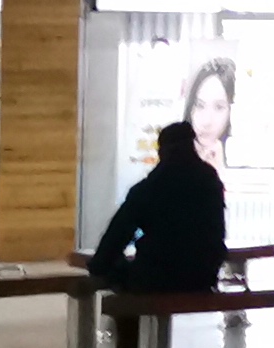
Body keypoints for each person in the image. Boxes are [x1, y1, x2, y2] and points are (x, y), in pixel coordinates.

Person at [89, 120, 229, 296]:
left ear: (162, 151)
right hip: (202, 277)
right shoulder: (210, 181)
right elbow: (217, 233)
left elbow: (118, 232)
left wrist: (98, 266)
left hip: (157, 277)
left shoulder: (152, 186)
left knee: (119, 276)